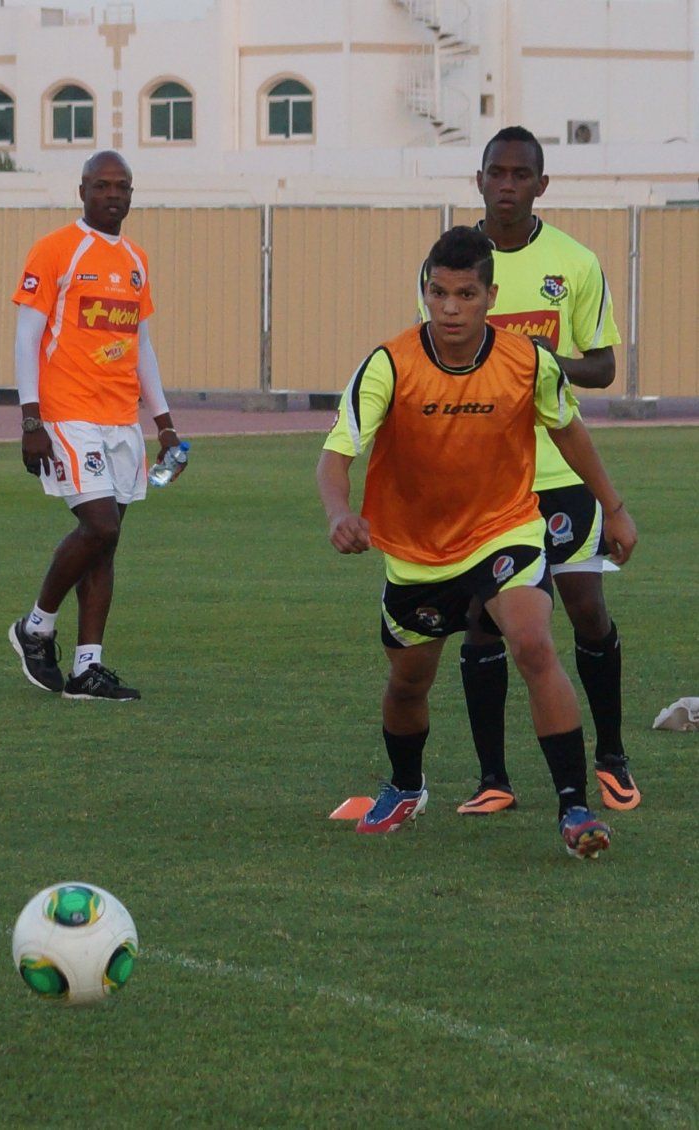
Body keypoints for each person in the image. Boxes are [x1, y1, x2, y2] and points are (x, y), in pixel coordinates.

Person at [317, 226, 637, 857]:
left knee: (532, 641)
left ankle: (574, 807)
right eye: (438, 293)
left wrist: (614, 508)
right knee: (410, 682)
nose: (450, 308)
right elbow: (336, 453)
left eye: (465, 294)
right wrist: (337, 513)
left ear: (490, 296)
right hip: (416, 548)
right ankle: (407, 785)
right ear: (424, 293)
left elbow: (570, 431)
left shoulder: (528, 361)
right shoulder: (389, 363)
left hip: (504, 528)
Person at [417, 126, 641, 816]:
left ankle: (611, 757)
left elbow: (602, 365)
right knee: (485, 621)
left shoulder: (573, 263)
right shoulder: (454, 264)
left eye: (521, 174)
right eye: (496, 172)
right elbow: (430, 354)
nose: (507, 184)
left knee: (584, 609)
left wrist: (530, 360)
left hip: (557, 467)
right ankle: (494, 778)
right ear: (478, 180)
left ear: (541, 185)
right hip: (482, 478)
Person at [8, 149, 185, 701]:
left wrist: (166, 424)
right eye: (103, 186)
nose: (114, 196)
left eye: (123, 187)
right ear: (82, 190)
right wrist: (30, 418)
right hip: (67, 413)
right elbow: (26, 337)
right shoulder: (56, 249)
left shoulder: (135, 259)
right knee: (101, 525)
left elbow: (141, 345)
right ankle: (35, 626)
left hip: (121, 419)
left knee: (107, 546)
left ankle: (88, 668)